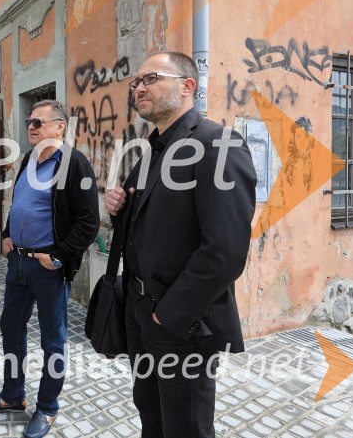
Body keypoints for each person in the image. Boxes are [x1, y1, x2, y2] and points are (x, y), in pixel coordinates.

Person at [104, 52, 257, 438]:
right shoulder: (151, 152)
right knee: (151, 416)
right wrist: (118, 207)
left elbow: (225, 252)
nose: (139, 88)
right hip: (141, 313)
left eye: (151, 78)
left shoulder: (218, 144)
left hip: (181, 324)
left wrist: (168, 316)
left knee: (186, 427)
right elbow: (146, 226)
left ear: (187, 86)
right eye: (136, 82)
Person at [0, 100, 100, 438]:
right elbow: (21, 202)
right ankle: (12, 395)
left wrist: (58, 257)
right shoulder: (30, 159)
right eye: (29, 122)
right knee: (10, 328)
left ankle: (47, 407)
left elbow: (89, 222)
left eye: (38, 122)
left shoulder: (75, 164)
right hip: (18, 263)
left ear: (60, 126)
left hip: (48, 268)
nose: (30, 127)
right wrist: (6, 234)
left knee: (53, 340)